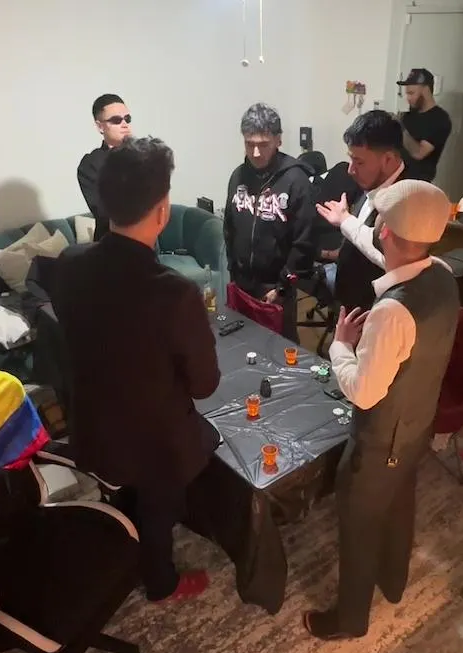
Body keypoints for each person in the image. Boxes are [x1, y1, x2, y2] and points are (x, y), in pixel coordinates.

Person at [41, 136, 218, 603]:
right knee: (171, 487)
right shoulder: (173, 293)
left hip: (93, 425)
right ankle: (160, 581)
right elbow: (205, 384)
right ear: (162, 211)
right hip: (152, 445)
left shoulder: (70, 265)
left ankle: (123, 533)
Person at [304, 179, 461, 640]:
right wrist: (346, 223)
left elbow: (364, 393)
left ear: (387, 231)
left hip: (379, 443)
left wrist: (340, 346)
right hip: (417, 425)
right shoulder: (442, 275)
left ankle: (350, 620)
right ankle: (393, 581)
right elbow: (386, 256)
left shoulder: (392, 312)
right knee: (399, 504)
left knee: (359, 526)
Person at [223, 103, 316, 340]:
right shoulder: (238, 176)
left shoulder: (296, 180)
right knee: (241, 343)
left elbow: (304, 241)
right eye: (249, 144)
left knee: (278, 348)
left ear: (278, 140)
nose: (255, 153)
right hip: (242, 283)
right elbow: (229, 228)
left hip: (275, 288)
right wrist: (233, 270)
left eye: (263, 144)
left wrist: (282, 287)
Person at [316, 110, 407, 316]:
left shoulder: (407, 197)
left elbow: (390, 258)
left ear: (388, 159)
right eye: (351, 159)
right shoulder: (371, 182)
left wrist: (345, 220)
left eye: (359, 162)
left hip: (374, 313)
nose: (351, 170)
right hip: (350, 305)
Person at [77, 93, 133, 242]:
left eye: (127, 119)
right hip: (112, 245)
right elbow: (104, 212)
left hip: (148, 243)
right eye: (116, 120)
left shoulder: (144, 155)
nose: (124, 124)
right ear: (100, 126)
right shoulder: (91, 164)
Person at [396, 69, 453, 182]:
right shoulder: (408, 116)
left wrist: (400, 127)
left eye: (411, 93)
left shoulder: (440, 119)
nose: (408, 98)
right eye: (407, 94)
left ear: (426, 90)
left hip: (416, 183)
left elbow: (419, 153)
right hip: (395, 178)